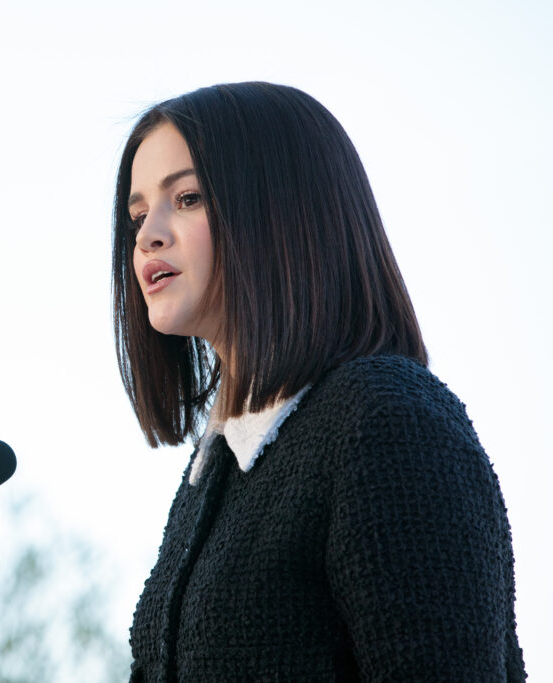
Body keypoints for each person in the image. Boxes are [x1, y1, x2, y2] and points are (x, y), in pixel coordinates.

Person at [113, 82, 525, 681]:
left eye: (190, 198)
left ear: (282, 210)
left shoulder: (384, 421)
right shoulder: (215, 471)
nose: (149, 233)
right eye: (138, 213)